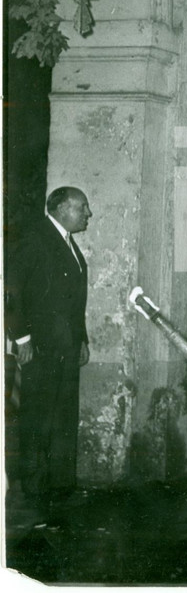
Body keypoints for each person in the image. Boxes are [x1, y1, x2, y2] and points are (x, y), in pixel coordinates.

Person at [6, 187, 92, 511]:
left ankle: (58, 487)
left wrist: (81, 339)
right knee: (38, 419)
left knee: (61, 418)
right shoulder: (36, 239)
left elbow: (72, 302)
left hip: (65, 349)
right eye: (82, 207)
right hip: (41, 348)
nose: (88, 213)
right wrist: (22, 339)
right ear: (60, 208)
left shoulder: (67, 243)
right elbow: (12, 291)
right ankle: (34, 491)